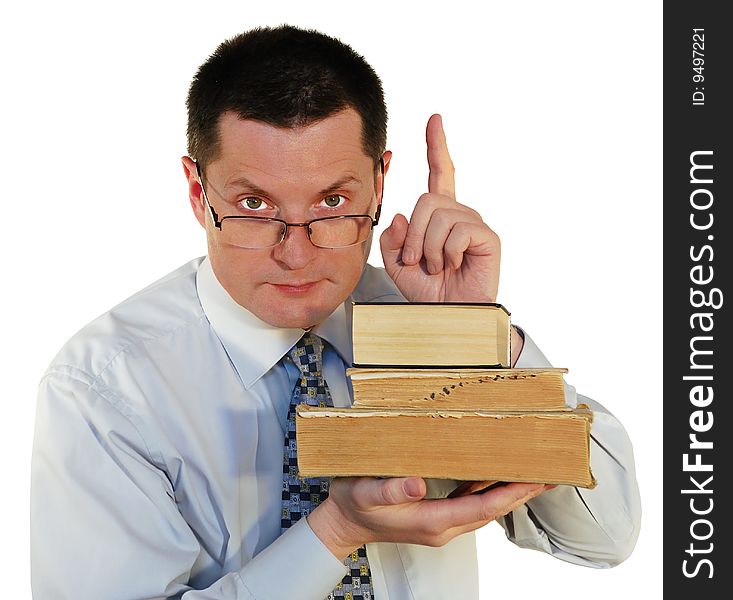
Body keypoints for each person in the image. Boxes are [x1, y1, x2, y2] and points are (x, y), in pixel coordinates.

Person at [30, 24, 641, 600]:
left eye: (333, 201)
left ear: (380, 185)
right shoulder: (103, 388)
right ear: (197, 193)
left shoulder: (432, 319)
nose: (296, 253)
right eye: (253, 204)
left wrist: (479, 339)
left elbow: (605, 538)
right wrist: (336, 531)